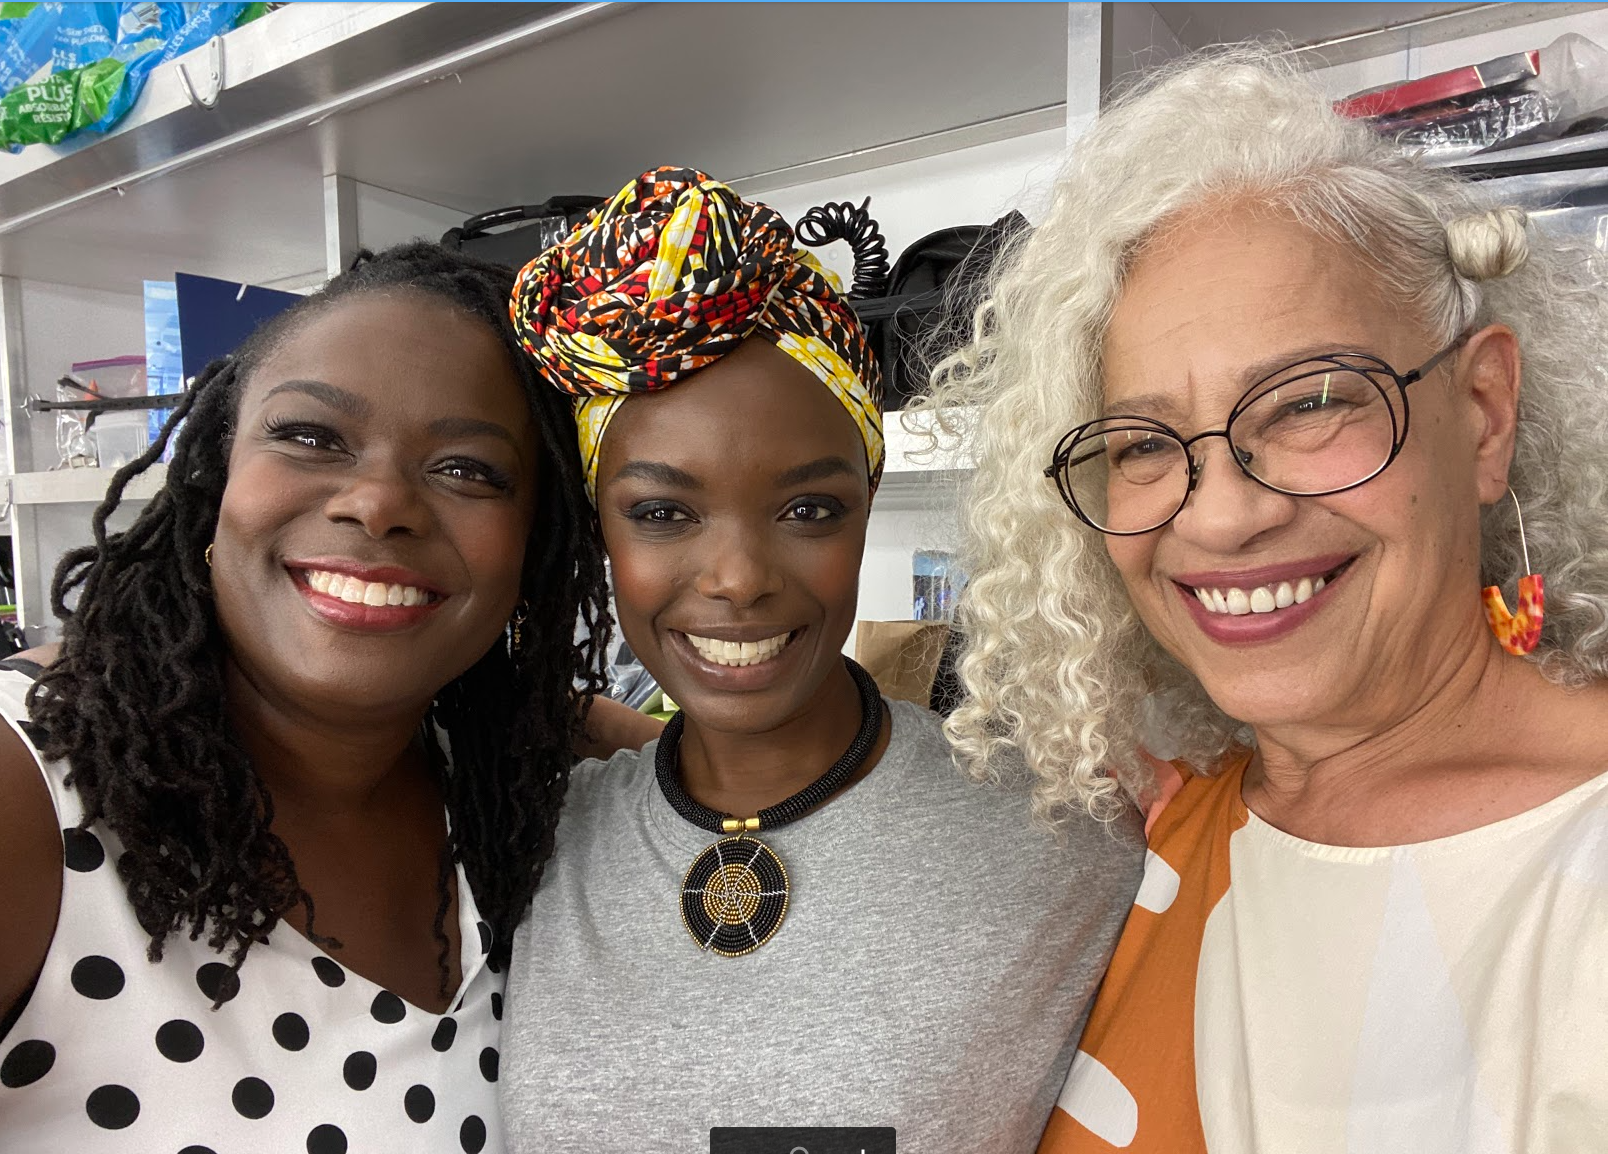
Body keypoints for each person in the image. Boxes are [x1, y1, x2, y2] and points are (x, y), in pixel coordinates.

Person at [918, 50, 1608, 1154]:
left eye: (1312, 402)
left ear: (1482, 413)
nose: (1224, 516)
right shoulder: (1165, 834)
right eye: (1143, 443)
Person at [498, 167, 1143, 1152]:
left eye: (809, 509)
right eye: (663, 511)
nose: (739, 578)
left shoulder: (1067, 843)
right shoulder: (536, 843)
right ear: (601, 530)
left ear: (867, 509)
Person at [0, 243, 611, 1153]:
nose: (376, 503)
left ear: (534, 552)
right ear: (211, 483)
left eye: (467, 469)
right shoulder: (28, 795)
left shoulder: (510, 772)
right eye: (312, 437)